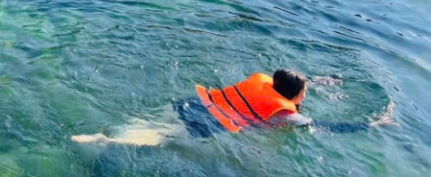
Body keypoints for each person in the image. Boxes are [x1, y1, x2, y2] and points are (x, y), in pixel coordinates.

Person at [73, 70, 388, 146]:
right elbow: (323, 126)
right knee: (159, 137)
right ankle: (106, 140)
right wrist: (372, 125)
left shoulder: (265, 81)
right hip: (210, 122)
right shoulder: (286, 112)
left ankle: (112, 133)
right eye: (305, 90)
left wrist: (319, 81)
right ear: (295, 95)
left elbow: (288, 80)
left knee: (154, 122)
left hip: (195, 102)